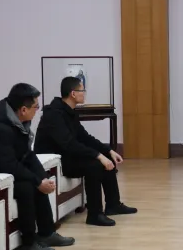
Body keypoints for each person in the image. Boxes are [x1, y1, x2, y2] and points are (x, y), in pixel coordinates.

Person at [0, 83, 74, 250]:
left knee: (37, 182)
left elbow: (27, 155)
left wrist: (42, 178)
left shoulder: (19, 122)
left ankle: (47, 233)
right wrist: (37, 182)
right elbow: (8, 164)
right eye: (36, 107)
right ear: (23, 109)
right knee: (27, 186)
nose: (37, 111)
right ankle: (28, 243)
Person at [35, 77, 137, 227]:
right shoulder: (54, 114)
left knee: (107, 158)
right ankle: (94, 215)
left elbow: (85, 137)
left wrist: (108, 150)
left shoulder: (69, 112)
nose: (84, 93)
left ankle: (113, 205)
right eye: (82, 90)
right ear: (73, 93)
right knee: (94, 165)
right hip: (57, 161)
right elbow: (69, 144)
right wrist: (98, 156)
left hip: (68, 155)